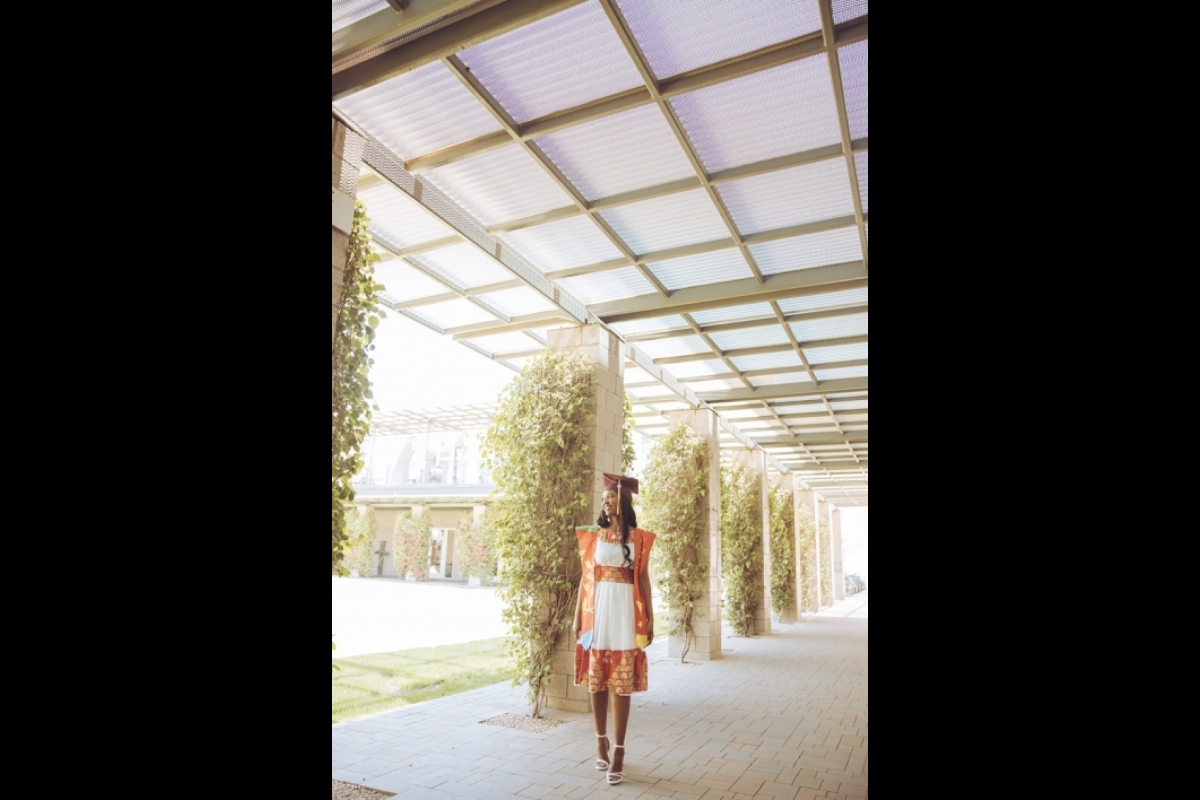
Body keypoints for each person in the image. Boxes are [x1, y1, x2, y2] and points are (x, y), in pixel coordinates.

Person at [573, 473, 655, 786]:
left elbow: (643, 579)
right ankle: (600, 741)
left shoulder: (639, 538)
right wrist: (577, 618)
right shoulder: (593, 536)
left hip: (625, 614)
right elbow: (585, 579)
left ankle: (619, 750)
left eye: (610, 497)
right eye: (603, 499)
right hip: (598, 612)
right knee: (597, 682)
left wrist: (649, 616)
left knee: (621, 684)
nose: (605, 502)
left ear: (623, 501)